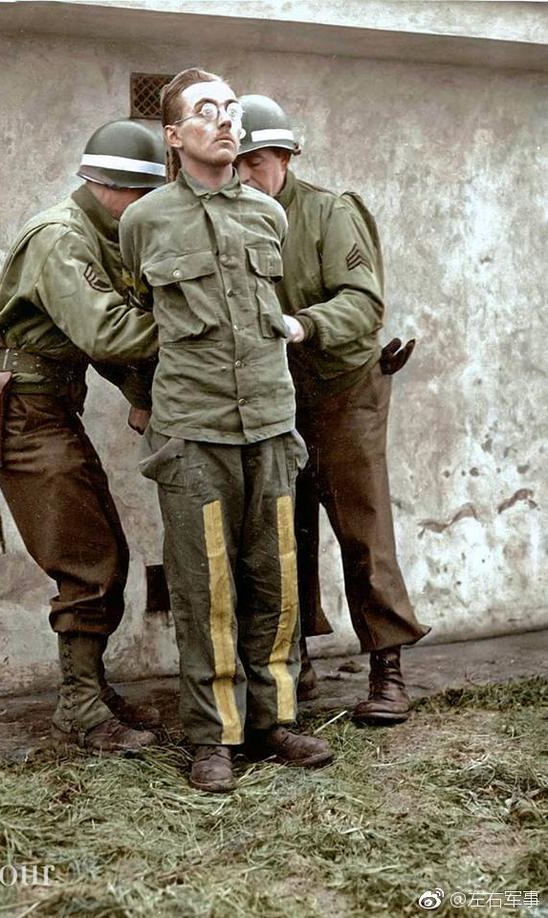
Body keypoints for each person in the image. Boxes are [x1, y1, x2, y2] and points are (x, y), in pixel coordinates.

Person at [119, 68, 333, 793]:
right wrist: (143, 401)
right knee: (204, 588)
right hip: (194, 432)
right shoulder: (145, 221)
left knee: (276, 579)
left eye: (231, 109)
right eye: (205, 110)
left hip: (270, 426)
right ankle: (214, 736)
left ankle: (275, 721)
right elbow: (133, 323)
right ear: (174, 136)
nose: (224, 120)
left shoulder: (268, 215)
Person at [236, 94, 430, 725]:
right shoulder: (229, 221)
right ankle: (293, 665)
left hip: (345, 390)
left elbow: (363, 303)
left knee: (361, 523)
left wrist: (303, 324)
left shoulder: (329, 213)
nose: (246, 175)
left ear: (286, 157)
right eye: (237, 164)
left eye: (257, 161)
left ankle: (388, 671)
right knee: (279, 532)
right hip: (277, 395)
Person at [0, 119, 167, 754]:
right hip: (27, 415)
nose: (148, 211)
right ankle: (78, 708)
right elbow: (107, 332)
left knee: (103, 551)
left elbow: (98, 342)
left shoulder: (98, 235)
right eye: (145, 196)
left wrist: (141, 396)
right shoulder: (61, 238)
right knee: (88, 561)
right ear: (115, 187)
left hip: (51, 409)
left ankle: (90, 689)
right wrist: (200, 322)